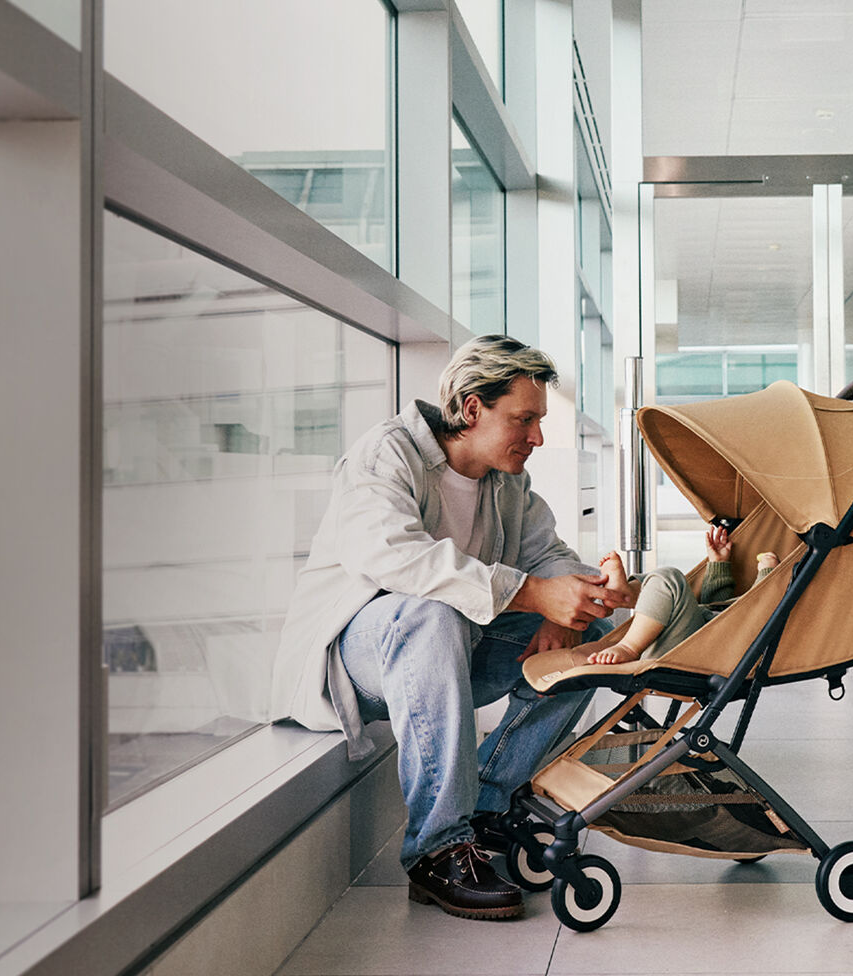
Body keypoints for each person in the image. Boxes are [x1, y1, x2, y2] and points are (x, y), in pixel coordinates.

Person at [270, 335, 637, 921]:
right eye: (525, 419)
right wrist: (531, 594)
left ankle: (487, 808)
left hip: (447, 657)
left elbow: (547, 553)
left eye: (539, 420)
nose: (537, 437)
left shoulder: (505, 479)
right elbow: (391, 557)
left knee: (594, 638)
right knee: (428, 611)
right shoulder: (384, 455)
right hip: (359, 659)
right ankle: (437, 848)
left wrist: (583, 593)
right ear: (471, 408)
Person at [577, 528, 777, 666]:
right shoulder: (732, 616)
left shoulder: (756, 615)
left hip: (693, 651)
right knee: (656, 582)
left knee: (668, 578)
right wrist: (718, 563)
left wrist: (769, 574)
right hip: (690, 633)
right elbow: (717, 606)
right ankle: (626, 593)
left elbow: (761, 607)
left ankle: (628, 647)